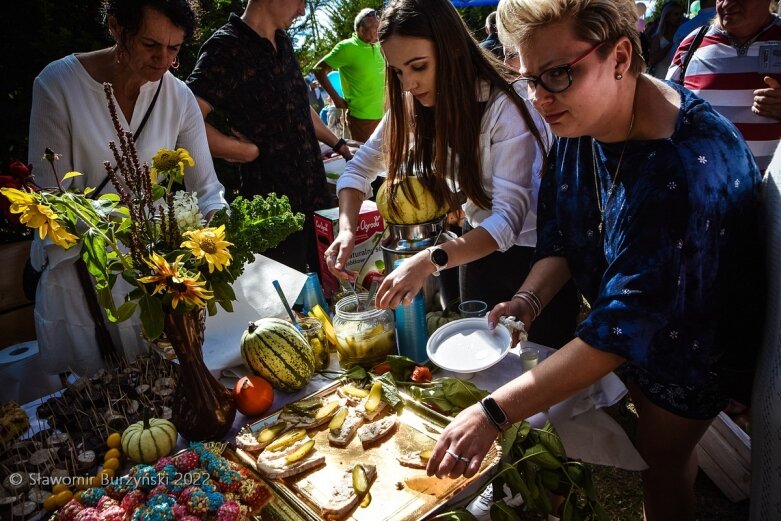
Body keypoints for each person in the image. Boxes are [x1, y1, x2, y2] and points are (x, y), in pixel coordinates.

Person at [427, 1, 764, 521]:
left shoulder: (685, 172)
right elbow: (564, 232)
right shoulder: (579, 117)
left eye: (558, 74)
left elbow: (621, 330)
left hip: (692, 347)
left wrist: (493, 412)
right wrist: (528, 299)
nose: (540, 99)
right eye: (529, 79)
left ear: (621, 55)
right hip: (633, 320)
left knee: (661, 460)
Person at [324, 0, 580, 348]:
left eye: (418, 66)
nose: (408, 85)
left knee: (538, 375)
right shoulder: (415, 106)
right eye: (398, 72)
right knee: (479, 372)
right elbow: (358, 168)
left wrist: (429, 260)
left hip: (536, 264)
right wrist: (346, 229)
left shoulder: (507, 103)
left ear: (453, 49)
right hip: (474, 254)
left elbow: (507, 221)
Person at [27, 0, 227, 376]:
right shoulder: (58, 85)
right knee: (106, 411)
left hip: (158, 283)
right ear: (118, 28)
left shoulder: (179, 97)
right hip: (85, 284)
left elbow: (207, 190)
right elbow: (49, 202)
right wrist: (120, 230)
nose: (163, 60)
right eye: (151, 45)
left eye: (175, 49)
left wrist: (215, 247)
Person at [187, 0, 352, 275]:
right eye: (300, 1)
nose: (301, 11)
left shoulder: (283, 42)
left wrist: (339, 144)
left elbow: (299, 106)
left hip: (314, 201)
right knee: (288, 306)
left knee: (328, 293)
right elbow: (186, 118)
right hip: (273, 213)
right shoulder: (226, 47)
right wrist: (242, 151)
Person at [667, 0, 781, 172]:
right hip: (705, 192)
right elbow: (663, 115)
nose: (727, 4)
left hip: (773, 195)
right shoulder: (692, 44)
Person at [313, 8, 386, 142]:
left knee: (385, 159)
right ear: (362, 30)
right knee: (365, 160)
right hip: (361, 118)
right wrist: (336, 98)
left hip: (384, 115)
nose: (380, 30)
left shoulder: (377, 46)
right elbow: (318, 70)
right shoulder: (346, 47)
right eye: (376, 27)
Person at [647, 1, 684, 78]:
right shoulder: (658, 37)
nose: (680, 17)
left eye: (681, 14)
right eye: (676, 14)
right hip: (661, 80)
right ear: (667, 17)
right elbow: (651, 61)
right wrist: (669, 47)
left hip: (677, 82)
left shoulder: (682, 36)